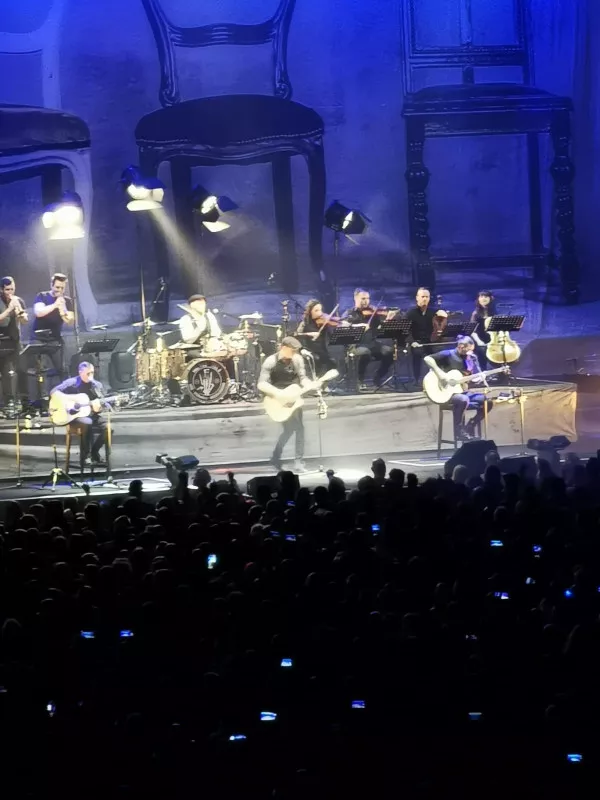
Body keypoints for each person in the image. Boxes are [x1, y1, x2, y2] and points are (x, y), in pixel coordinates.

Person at [257, 336, 313, 472]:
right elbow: (261, 383)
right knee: (291, 429)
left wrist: (309, 384)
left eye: (295, 351)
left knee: (298, 428)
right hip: (279, 399)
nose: (294, 353)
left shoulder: (297, 359)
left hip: (295, 398)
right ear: (283, 348)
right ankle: (277, 457)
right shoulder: (271, 361)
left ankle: (295, 460)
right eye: (292, 350)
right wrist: (279, 394)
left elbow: (302, 377)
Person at [424, 335, 493, 441]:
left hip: (460, 390)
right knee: (463, 399)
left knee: (487, 401)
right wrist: (440, 373)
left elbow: (468, 380)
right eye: (468, 350)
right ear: (461, 346)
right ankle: (458, 431)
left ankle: (471, 425)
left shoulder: (470, 359)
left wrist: (478, 378)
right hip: (446, 393)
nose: (470, 353)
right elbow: (427, 358)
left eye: (471, 350)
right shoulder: (448, 354)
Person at [51, 361, 110, 465]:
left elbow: (100, 405)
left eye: (92, 373)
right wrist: (67, 402)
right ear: (80, 372)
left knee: (108, 428)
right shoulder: (72, 383)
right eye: (88, 373)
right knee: (87, 423)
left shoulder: (97, 385)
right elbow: (53, 392)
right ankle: (85, 456)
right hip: (74, 416)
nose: (90, 376)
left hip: (91, 415)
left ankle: (94, 452)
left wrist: (99, 407)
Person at [343, 288, 394, 390]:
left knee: (390, 352)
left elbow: (380, 327)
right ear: (355, 298)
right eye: (363, 298)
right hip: (355, 345)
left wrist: (388, 320)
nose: (366, 301)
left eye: (368, 298)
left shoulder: (373, 313)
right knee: (365, 352)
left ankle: (378, 378)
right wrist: (359, 326)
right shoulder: (350, 313)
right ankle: (360, 380)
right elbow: (343, 326)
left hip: (372, 343)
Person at [33, 272, 75, 381]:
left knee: (63, 369)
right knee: (40, 370)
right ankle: (42, 390)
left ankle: (65, 388)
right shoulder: (42, 296)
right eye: (57, 287)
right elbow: (39, 312)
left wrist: (63, 310)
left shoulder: (67, 301)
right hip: (39, 338)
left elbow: (70, 321)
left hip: (55, 338)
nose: (59, 290)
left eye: (62, 288)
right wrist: (55, 305)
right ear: (51, 285)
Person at [405, 287, 447, 386]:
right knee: (417, 352)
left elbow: (441, 325)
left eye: (427, 297)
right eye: (422, 296)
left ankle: (438, 378)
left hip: (430, 341)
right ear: (417, 298)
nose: (425, 299)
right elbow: (406, 331)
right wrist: (412, 342)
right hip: (417, 342)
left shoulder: (433, 312)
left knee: (441, 352)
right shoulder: (411, 313)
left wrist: (443, 316)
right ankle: (417, 380)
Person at [0, 276, 27, 408]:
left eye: (12, 289)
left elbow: (25, 321)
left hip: (14, 341)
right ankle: (6, 403)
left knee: (18, 371)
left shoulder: (18, 300)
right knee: (5, 374)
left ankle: (21, 402)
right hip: (1, 342)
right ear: (1, 289)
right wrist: (9, 309)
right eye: (7, 290)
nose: (10, 292)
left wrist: (20, 313)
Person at [296, 299, 337, 377]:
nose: (320, 313)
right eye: (316, 310)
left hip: (322, 351)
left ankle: (324, 381)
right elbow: (297, 334)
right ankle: (317, 380)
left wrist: (330, 326)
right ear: (310, 312)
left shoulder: (323, 322)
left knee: (332, 364)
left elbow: (331, 336)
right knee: (317, 360)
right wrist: (309, 334)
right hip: (310, 350)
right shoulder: (305, 323)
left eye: (320, 310)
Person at [470, 290, 497, 370]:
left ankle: (501, 371)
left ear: (490, 298)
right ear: (478, 299)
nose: (483, 298)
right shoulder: (475, 313)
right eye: (481, 296)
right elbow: (472, 331)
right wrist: (479, 342)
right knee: (482, 349)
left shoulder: (494, 312)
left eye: (486, 296)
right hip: (479, 339)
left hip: (492, 339)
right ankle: (483, 371)